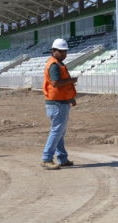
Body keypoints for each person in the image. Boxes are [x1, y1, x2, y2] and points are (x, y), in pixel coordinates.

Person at [41, 38, 78, 170]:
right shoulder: (54, 65)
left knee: (59, 131)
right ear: (54, 51)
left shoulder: (57, 64)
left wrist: (70, 98)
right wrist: (71, 80)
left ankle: (62, 158)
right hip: (56, 104)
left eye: (65, 51)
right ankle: (46, 158)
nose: (64, 54)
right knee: (57, 131)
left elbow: (61, 87)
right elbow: (56, 84)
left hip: (60, 102)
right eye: (61, 52)